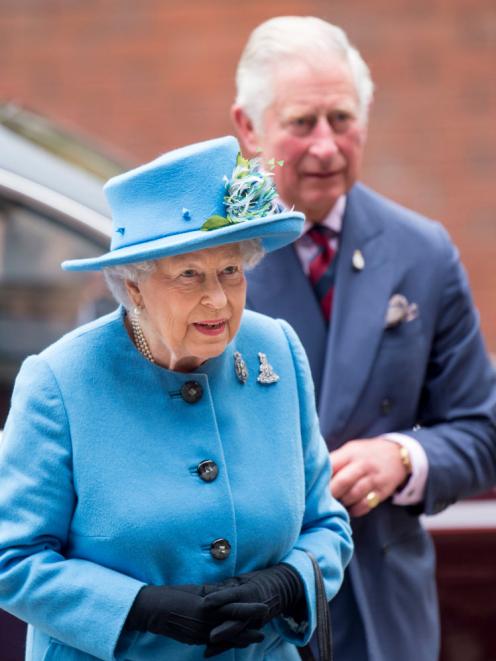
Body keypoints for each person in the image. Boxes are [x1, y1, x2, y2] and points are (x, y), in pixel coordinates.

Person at [0, 136, 353, 661]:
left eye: (230, 271)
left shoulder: (275, 349)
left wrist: (287, 583)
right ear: (135, 286)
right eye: (189, 275)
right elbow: (13, 560)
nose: (218, 299)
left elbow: (327, 525)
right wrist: (139, 607)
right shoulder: (60, 382)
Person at [231, 15, 496, 661]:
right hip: (246, 611)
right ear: (248, 127)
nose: (326, 146)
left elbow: (481, 427)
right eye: (301, 124)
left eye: (342, 119)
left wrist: (404, 457)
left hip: (382, 610)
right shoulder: (199, 259)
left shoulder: (421, 252)